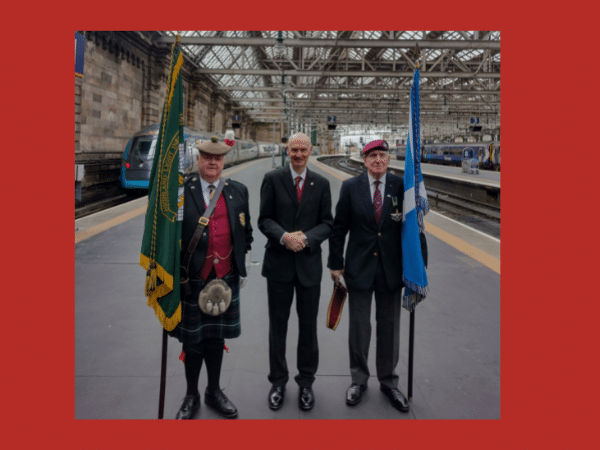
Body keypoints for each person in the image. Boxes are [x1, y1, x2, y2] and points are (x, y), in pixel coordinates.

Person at [171, 136, 253, 420]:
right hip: (192, 277)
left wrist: (241, 262)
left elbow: (247, 231)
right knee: (192, 342)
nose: (212, 162)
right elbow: (170, 235)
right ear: (198, 159)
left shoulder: (238, 191)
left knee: (216, 338)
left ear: (224, 161)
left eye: (217, 158)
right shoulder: (182, 191)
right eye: (207, 157)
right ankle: (191, 394)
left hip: (225, 278)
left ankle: (214, 391)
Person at [328, 139, 410, 413]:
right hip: (359, 269)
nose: (378, 160)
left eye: (382, 155)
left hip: (392, 270)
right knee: (360, 328)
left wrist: (418, 268)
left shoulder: (402, 187)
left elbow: (413, 229)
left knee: (390, 328)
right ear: (364, 160)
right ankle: (358, 380)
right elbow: (339, 228)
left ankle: (389, 382)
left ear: (389, 159)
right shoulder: (351, 188)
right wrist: (335, 263)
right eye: (372, 155)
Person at [258, 132, 333, 411]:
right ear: (287, 150)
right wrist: (284, 236)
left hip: (308, 267)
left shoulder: (321, 184)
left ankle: (305, 383)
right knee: (277, 328)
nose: (298, 155)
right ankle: (278, 381)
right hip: (278, 266)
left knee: (308, 328)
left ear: (310, 150)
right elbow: (264, 219)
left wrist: (307, 239)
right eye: (294, 150)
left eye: (303, 150)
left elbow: (327, 223)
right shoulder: (273, 179)